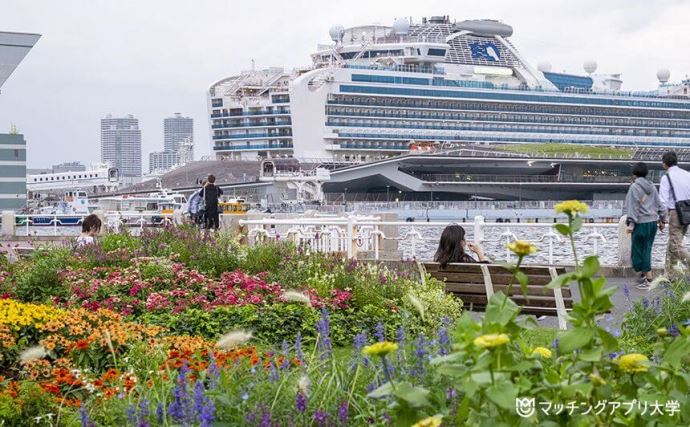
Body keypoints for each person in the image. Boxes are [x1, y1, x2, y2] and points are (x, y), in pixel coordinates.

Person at [623, 162, 666, 289]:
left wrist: (631, 223)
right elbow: (660, 204)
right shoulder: (652, 186)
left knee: (637, 251)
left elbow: (633, 206)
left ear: (635, 173)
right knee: (647, 249)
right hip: (652, 223)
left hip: (640, 223)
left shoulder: (634, 187)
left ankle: (648, 279)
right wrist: (663, 219)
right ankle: (644, 276)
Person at [659, 151, 690, 275]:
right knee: (673, 242)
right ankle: (670, 274)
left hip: (676, 213)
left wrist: (661, 219)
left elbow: (663, 201)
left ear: (664, 164)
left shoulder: (666, 177)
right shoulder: (687, 174)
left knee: (674, 245)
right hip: (687, 212)